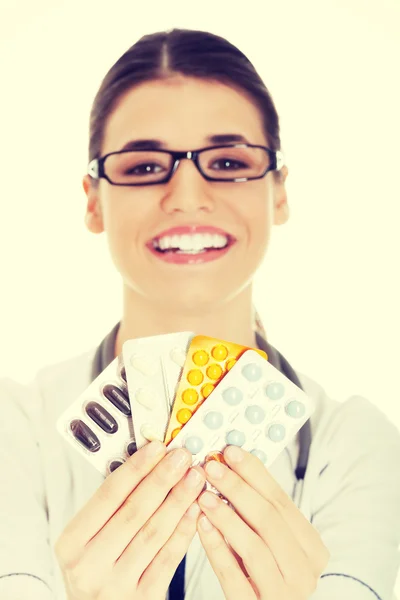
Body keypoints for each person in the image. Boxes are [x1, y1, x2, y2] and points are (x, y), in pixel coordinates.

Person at [0, 27, 399, 600]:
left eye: (229, 161)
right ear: (93, 201)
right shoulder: (15, 431)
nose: (187, 195)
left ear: (279, 192)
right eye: (142, 167)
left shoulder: (356, 447)